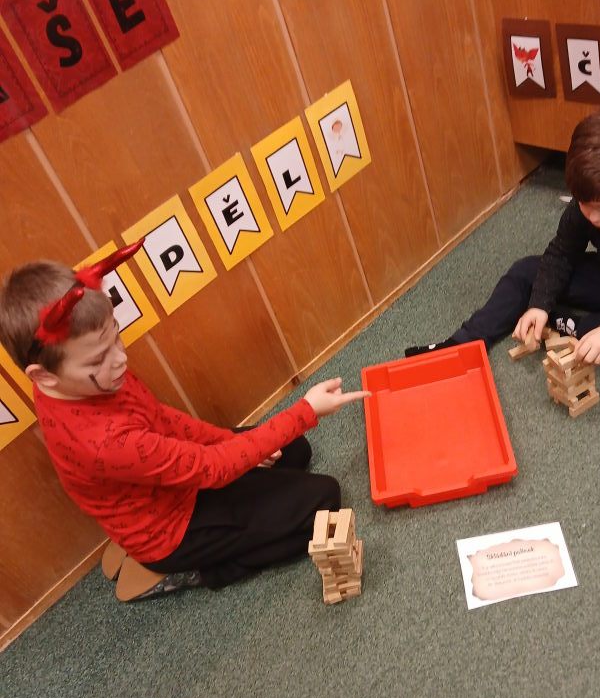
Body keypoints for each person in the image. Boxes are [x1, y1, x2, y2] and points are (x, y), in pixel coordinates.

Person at [0, 243, 369, 600]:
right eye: (98, 359)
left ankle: (156, 543)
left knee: (293, 449)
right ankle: (196, 570)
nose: (120, 360)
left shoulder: (69, 379)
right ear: (43, 376)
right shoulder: (104, 442)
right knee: (325, 500)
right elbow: (211, 469)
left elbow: (161, 419)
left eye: (116, 338)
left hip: (167, 475)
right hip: (173, 528)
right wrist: (305, 412)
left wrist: (230, 442)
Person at [406, 109, 600, 384]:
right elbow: (561, 253)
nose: (594, 217)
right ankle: (459, 346)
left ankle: (578, 324)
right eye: (584, 203)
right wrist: (539, 304)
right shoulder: (590, 201)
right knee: (527, 271)